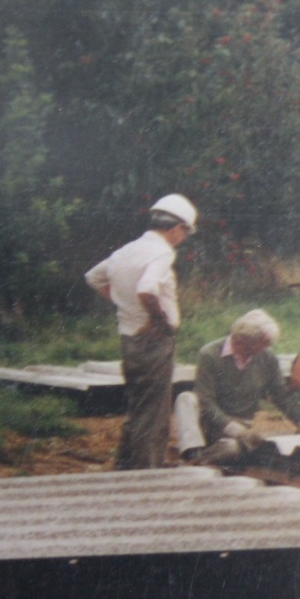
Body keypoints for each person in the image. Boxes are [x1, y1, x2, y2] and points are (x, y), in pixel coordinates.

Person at [85, 193, 196, 469]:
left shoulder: (126, 251)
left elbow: (93, 277)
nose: (184, 237)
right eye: (185, 231)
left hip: (129, 337)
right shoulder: (161, 252)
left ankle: (126, 464)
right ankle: (148, 470)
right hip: (153, 340)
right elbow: (147, 289)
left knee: (138, 405)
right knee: (155, 410)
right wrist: (158, 320)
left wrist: (123, 304)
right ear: (175, 227)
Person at [175, 309, 300, 465]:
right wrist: (231, 427)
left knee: (232, 449)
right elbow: (205, 399)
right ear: (243, 340)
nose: (265, 348)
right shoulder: (210, 354)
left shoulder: (267, 358)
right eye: (262, 344)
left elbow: (281, 396)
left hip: (241, 425)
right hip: (211, 420)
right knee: (186, 398)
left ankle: (201, 460)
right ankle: (192, 452)